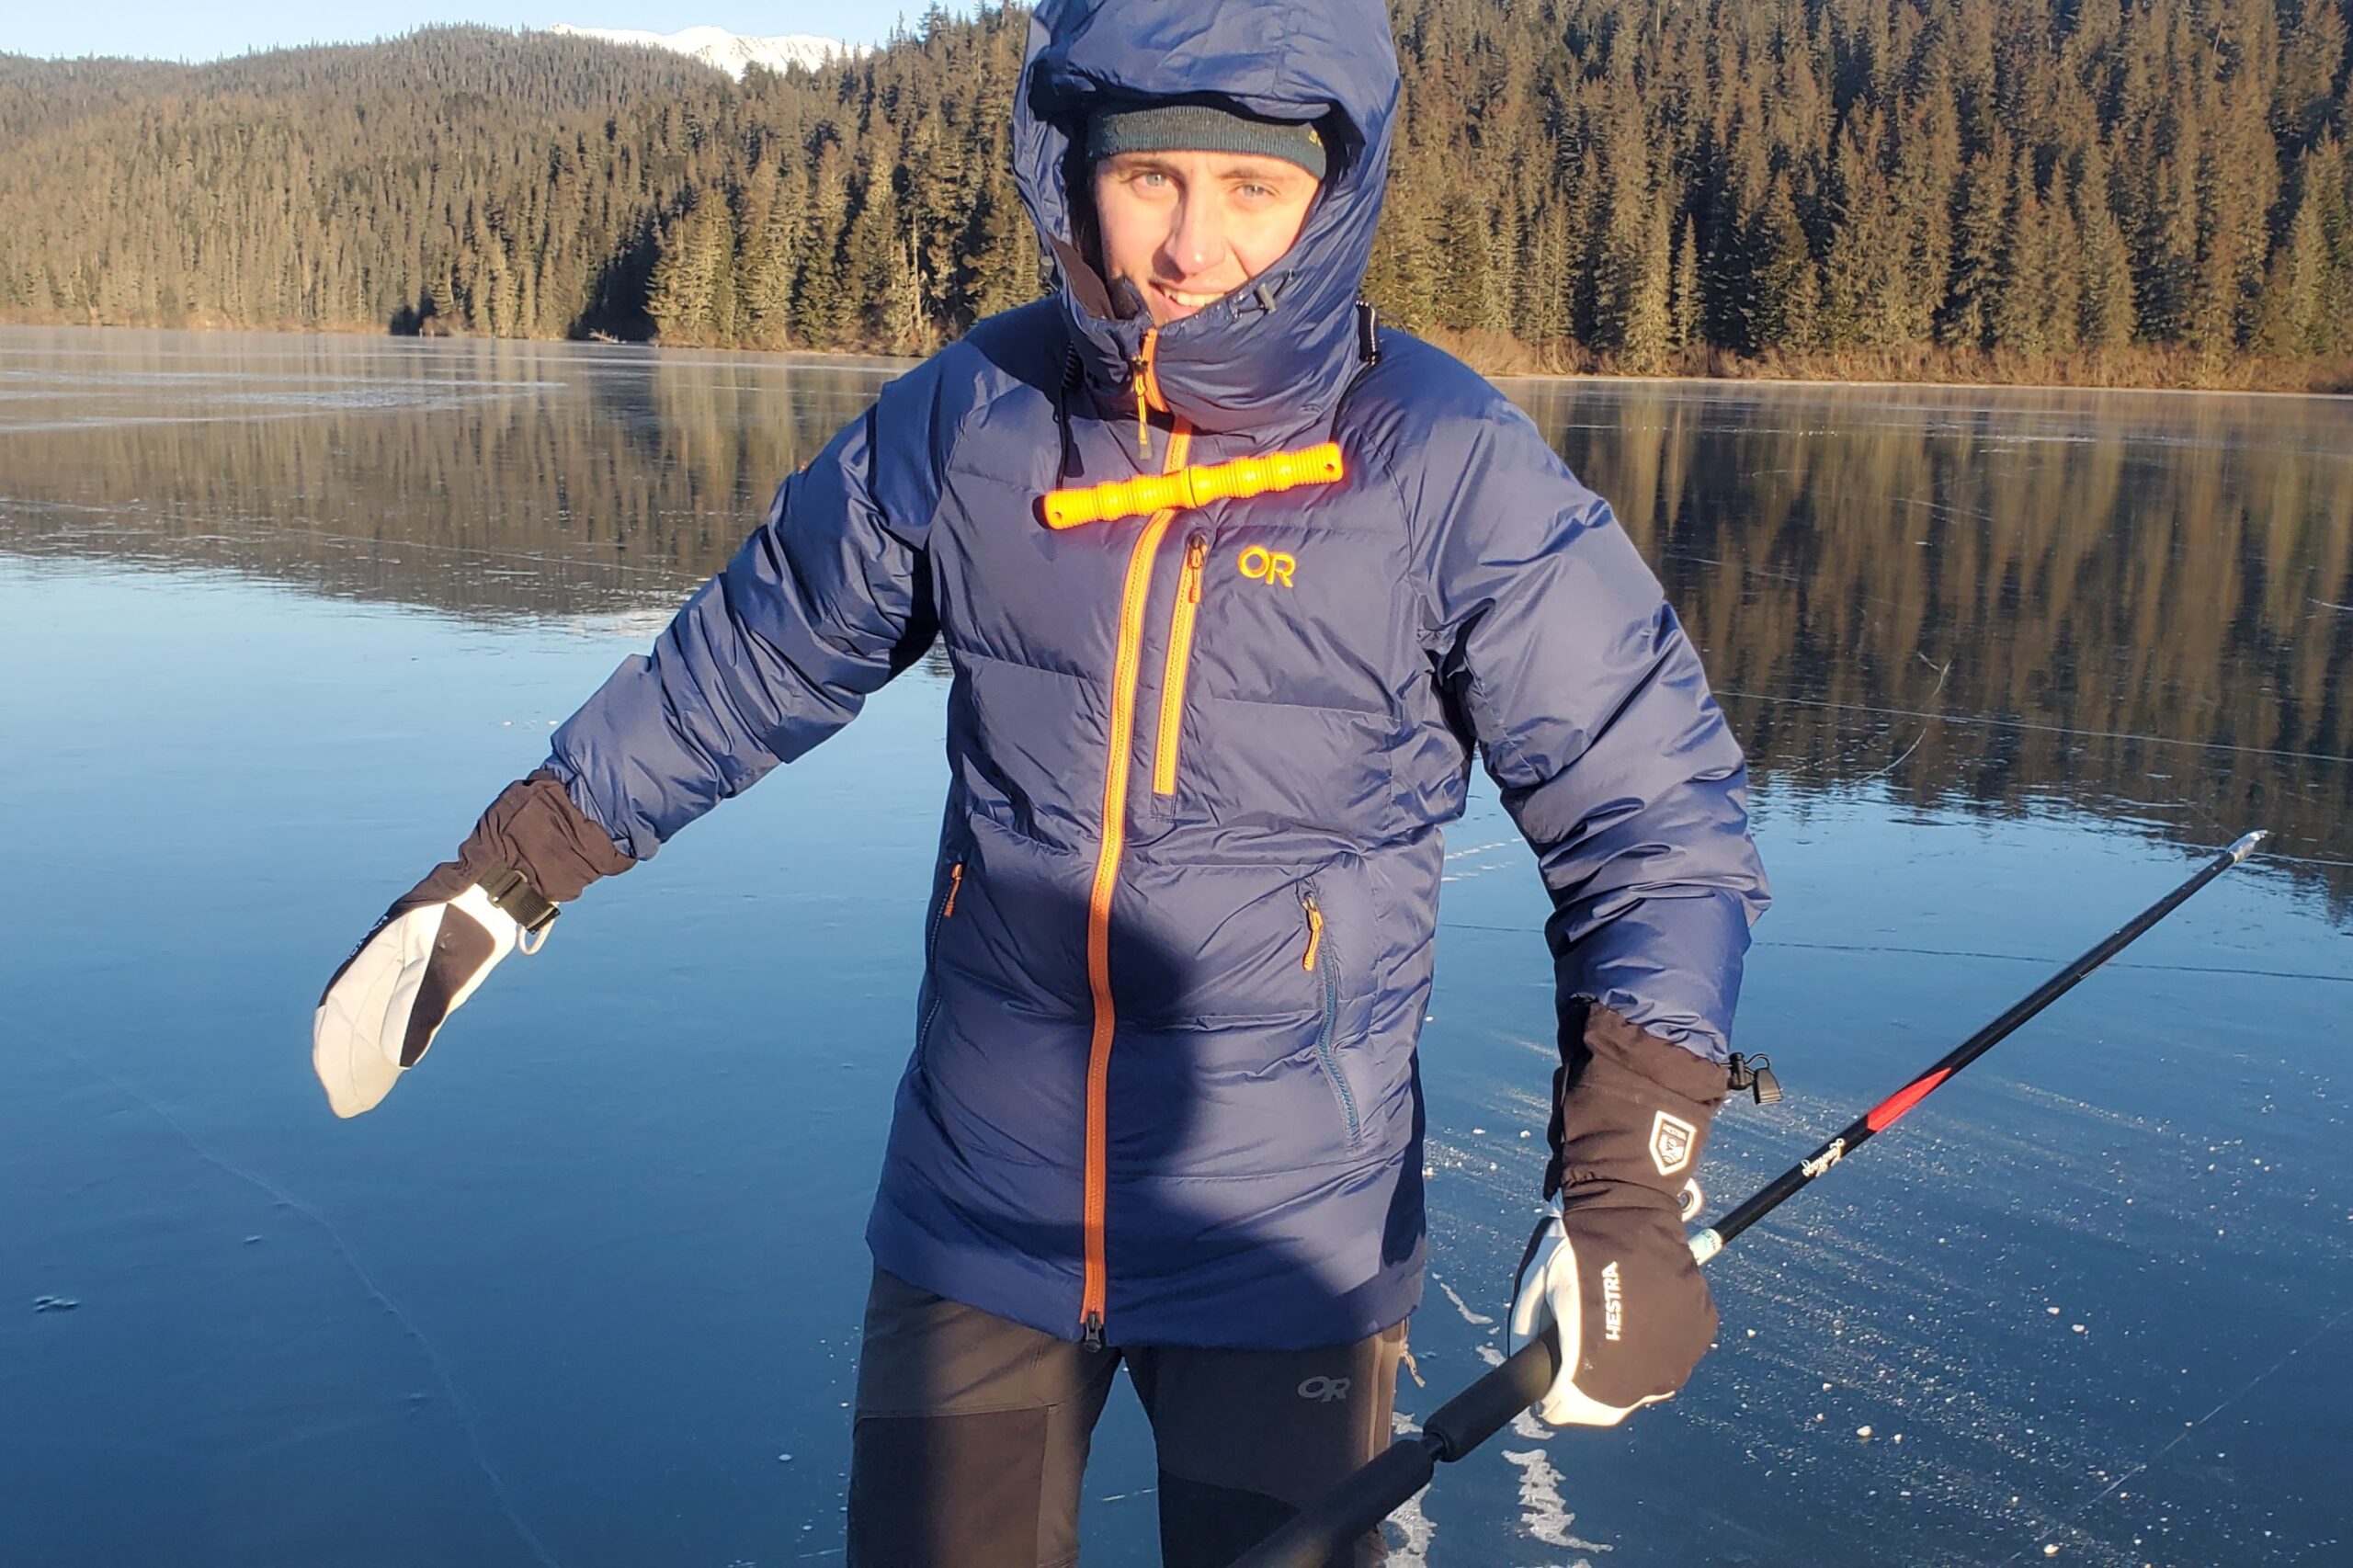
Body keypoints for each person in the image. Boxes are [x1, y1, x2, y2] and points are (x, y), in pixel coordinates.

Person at [312, 1, 1769, 1562]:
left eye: (1252, 190)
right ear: (1076, 171)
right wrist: (507, 874)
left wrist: (1631, 1171)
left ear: (1331, 194)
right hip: (976, 1219)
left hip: (1284, 1244)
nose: (1189, 246)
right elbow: (753, 659)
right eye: (1152, 181)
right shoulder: (979, 414)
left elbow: (1655, 829)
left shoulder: (1445, 466)